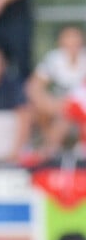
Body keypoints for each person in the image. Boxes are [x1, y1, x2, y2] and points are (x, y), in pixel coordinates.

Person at [26, 24, 86, 158]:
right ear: (60, 41)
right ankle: (52, 148)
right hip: (60, 107)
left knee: (68, 114)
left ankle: (49, 151)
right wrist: (50, 103)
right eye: (68, 38)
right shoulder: (54, 59)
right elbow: (33, 87)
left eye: (75, 38)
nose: (72, 42)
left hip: (80, 109)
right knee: (36, 110)